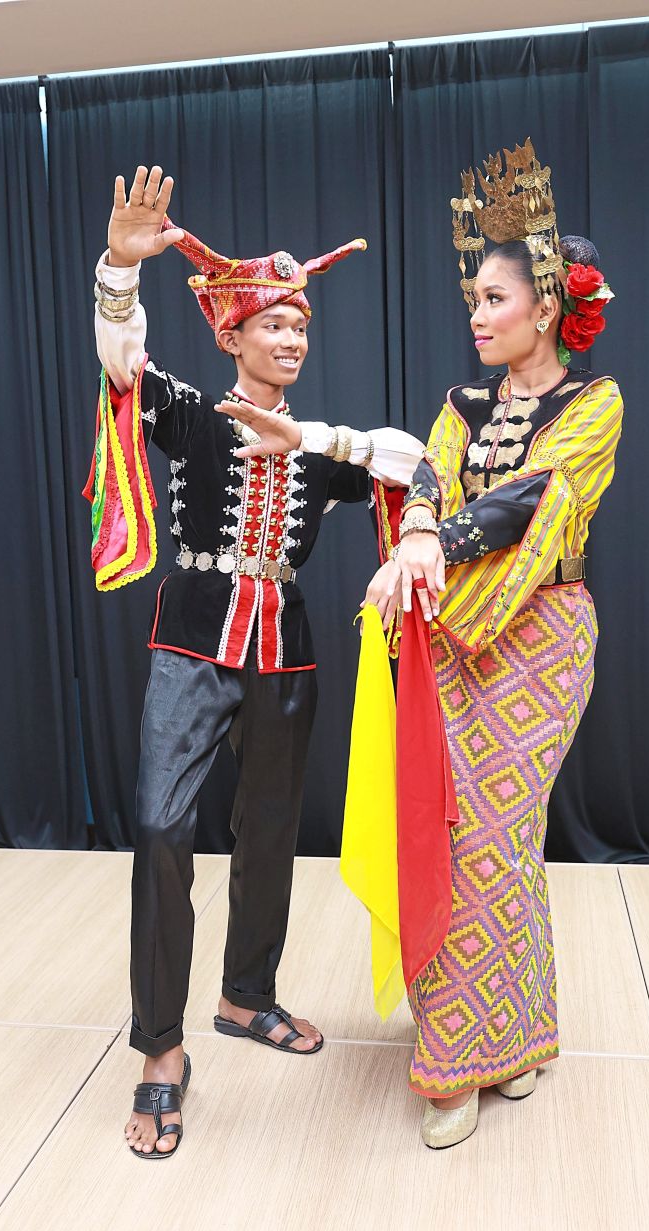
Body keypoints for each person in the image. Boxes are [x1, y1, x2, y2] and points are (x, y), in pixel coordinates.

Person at [87, 165, 424, 1158]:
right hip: (191, 641)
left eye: (299, 326)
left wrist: (317, 439)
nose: (291, 339)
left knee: (270, 830)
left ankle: (245, 994)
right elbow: (121, 360)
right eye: (272, 324)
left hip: (286, 653)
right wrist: (119, 269)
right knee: (161, 828)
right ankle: (160, 1049)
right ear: (231, 336)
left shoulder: (317, 444)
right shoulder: (192, 413)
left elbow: (413, 460)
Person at [359, 138, 623, 1149]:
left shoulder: (593, 405)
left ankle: (465, 1058)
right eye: (473, 298)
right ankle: (504, 1038)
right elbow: (431, 473)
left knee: (494, 835)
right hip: (450, 641)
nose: (475, 315)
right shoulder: (463, 404)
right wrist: (418, 528)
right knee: (463, 833)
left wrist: (433, 541)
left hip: (542, 636)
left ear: (544, 308)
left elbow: (529, 499)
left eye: (493, 298)